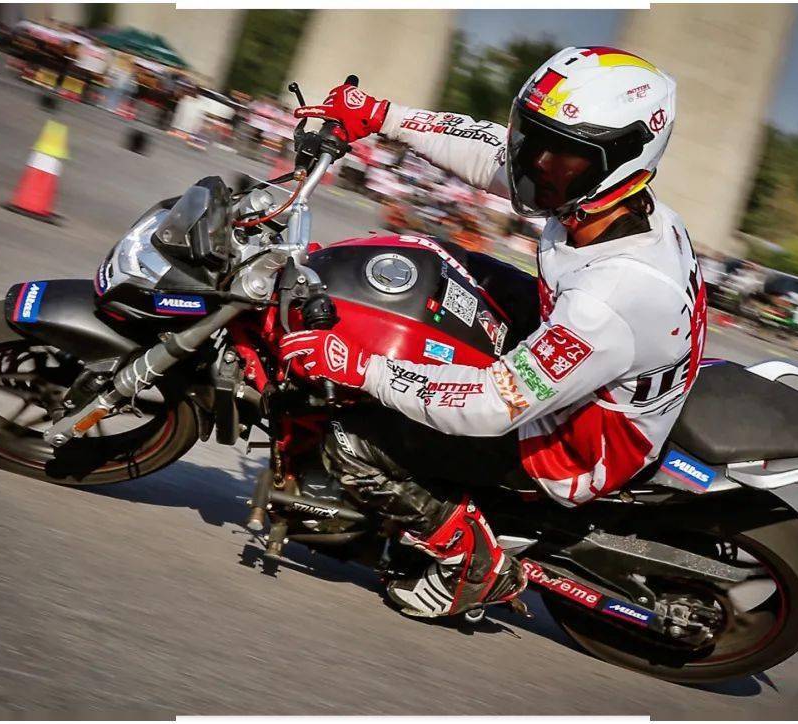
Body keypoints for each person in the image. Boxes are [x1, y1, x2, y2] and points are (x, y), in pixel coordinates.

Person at [278, 47, 707, 618]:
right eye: (534, 136)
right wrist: (380, 115)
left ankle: (472, 566)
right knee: (429, 257)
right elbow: (492, 153)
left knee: (351, 440)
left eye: (560, 151)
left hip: (577, 441)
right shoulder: (603, 198)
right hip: (575, 340)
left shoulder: (615, 293)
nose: (537, 160)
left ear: (623, 156)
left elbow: (493, 405)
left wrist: (361, 368)